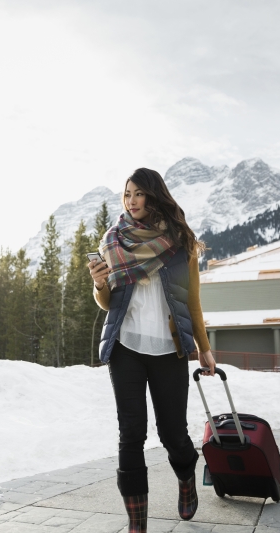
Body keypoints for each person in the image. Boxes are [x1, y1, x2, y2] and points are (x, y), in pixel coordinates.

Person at [88, 168, 216, 533]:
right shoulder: (114, 240)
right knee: (131, 433)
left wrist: (204, 349)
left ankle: (187, 478)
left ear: (154, 196)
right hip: (125, 346)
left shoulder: (179, 244)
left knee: (172, 432)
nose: (131, 200)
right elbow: (106, 301)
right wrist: (99, 284)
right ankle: (137, 523)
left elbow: (192, 302)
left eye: (139, 193)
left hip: (169, 347)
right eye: (127, 194)